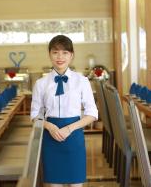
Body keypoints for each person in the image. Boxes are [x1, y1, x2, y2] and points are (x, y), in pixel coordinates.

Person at [31, 35, 98, 187]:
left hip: (74, 136)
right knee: (53, 184)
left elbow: (93, 113)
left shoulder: (82, 81)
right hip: (50, 138)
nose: (60, 57)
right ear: (49, 55)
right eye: (55, 52)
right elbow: (35, 115)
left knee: (76, 184)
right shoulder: (41, 84)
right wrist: (49, 126)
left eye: (65, 52)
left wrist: (69, 128)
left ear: (71, 55)